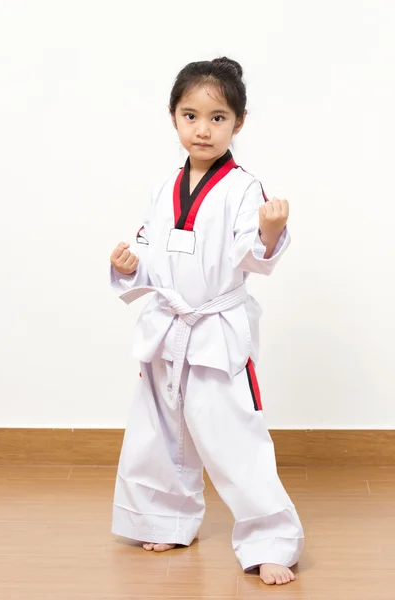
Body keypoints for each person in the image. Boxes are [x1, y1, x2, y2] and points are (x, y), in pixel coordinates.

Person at [109, 57, 304, 586]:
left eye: (217, 118)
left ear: (238, 123)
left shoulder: (244, 187)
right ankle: (165, 518)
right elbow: (152, 245)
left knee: (233, 434)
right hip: (168, 325)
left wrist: (270, 231)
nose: (202, 128)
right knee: (159, 429)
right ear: (173, 118)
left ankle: (271, 538)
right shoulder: (163, 185)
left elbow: (252, 255)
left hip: (215, 328)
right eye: (190, 115)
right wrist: (128, 265)